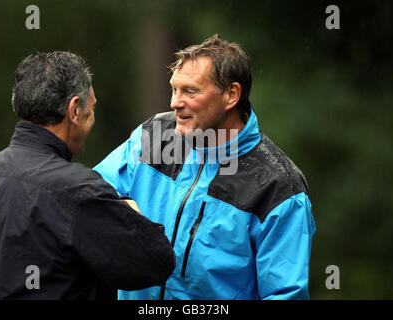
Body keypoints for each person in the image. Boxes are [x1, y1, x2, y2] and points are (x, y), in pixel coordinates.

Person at [94, 34, 316, 300]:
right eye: (174, 89)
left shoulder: (278, 186)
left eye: (190, 91)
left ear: (231, 95)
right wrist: (123, 210)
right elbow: (92, 194)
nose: (175, 102)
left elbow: (285, 295)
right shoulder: (154, 135)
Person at [0, 51, 175, 299]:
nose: (91, 118)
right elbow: (157, 261)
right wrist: (129, 213)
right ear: (74, 111)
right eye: (91, 109)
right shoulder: (79, 191)